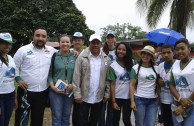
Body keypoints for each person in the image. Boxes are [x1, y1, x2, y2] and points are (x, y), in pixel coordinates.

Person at [14, 28, 56, 126]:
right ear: (33, 36)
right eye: (37, 35)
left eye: (43, 36)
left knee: (37, 121)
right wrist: (18, 80)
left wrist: (74, 52)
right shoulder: (23, 50)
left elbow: (64, 52)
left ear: (47, 38)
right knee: (21, 120)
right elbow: (13, 67)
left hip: (42, 93)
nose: (40, 38)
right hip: (25, 92)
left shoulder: (51, 51)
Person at [73, 33, 111, 126]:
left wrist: (107, 93)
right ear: (89, 43)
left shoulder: (106, 59)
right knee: (82, 121)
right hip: (84, 96)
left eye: (97, 43)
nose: (95, 45)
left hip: (99, 97)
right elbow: (76, 76)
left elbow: (107, 79)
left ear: (101, 44)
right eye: (93, 43)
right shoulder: (82, 57)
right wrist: (77, 94)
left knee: (94, 121)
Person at [48, 34, 76, 126]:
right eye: (62, 42)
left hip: (69, 91)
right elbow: (50, 74)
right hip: (56, 92)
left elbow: (78, 74)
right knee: (57, 117)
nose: (65, 44)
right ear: (59, 43)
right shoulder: (54, 56)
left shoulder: (75, 56)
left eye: (67, 42)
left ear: (71, 43)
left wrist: (73, 85)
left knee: (66, 116)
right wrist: (53, 87)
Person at [130, 45, 159, 126]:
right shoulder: (135, 68)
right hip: (139, 99)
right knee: (139, 123)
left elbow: (159, 84)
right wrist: (132, 101)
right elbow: (131, 85)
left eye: (148, 54)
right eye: (144, 53)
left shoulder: (156, 68)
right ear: (141, 54)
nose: (145, 56)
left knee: (150, 123)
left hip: (153, 100)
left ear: (151, 57)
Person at [107, 42, 133, 126]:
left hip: (128, 97)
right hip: (117, 97)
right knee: (115, 120)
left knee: (126, 120)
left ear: (127, 51)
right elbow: (112, 84)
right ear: (116, 50)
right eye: (119, 49)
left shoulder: (133, 63)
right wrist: (113, 101)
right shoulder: (112, 65)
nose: (121, 51)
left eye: (124, 50)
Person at [170, 38, 194, 126]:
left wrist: (184, 106)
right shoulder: (175, 64)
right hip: (177, 105)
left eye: (182, 48)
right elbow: (171, 85)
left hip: (192, 106)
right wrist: (180, 99)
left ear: (189, 49)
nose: (180, 51)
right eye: (177, 49)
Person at [99, 30, 117, 126]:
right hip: (103, 83)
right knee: (101, 110)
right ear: (105, 39)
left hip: (114, 84)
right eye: (108, 37)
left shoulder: (119, 51)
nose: (110, 39)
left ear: (115, 39)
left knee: (111, 111)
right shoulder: (101, 51)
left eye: (112, 37)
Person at [0, 33, 17, 126]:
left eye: (9, 43)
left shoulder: (10, 58)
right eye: (4, 43)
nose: (7, 46)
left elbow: (11, 77)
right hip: (0, 96)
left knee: (6, 122)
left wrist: (14, 97)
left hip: (10, 95)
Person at [158, 44, 174, 126]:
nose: (166, 55)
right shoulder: (160, 66)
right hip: (163, 100)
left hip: (175, 101)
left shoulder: (177, 65)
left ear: (173, 53)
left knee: (174, 123)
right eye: (163, 53)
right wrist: (159, 82)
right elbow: (158, 81)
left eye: (168, 52)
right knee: (165, 122)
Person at [71, 31, 84, 126]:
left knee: (80, 111)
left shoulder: (87, 54)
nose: (77, 42)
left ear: (83, 42)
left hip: (81, 88)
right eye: (75, 40)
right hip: (68, 87)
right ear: (72, 42)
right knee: (69, 112)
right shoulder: (68, 52)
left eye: (79, 40)